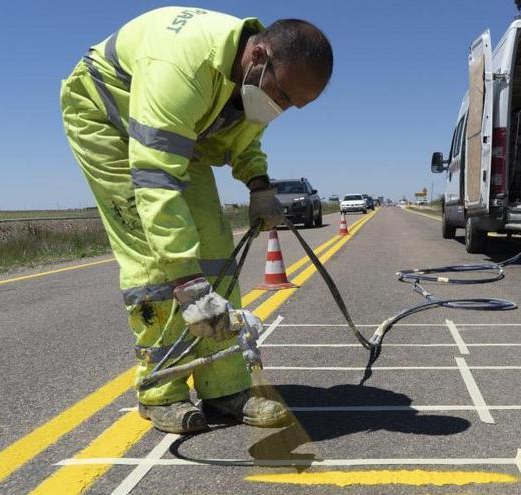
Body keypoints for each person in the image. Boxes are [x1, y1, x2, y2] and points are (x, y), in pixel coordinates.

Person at [59, 7, 333, 434]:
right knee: (157, 259)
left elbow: (244, 134)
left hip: (177, 134)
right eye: (282, 95)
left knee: (214, 244)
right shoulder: (181, 66)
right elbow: (155, 179)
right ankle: (161, 392)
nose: (282, 107)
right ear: (258, 56)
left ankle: (225, 389)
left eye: (292, 105)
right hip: (108, 117)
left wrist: (259, 185)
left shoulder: (251, 77)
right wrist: (186, 283)